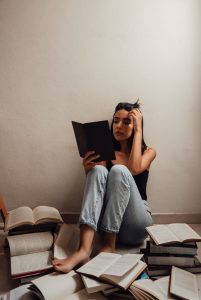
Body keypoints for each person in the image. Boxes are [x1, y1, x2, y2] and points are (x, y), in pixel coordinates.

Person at [52, 101, 156, 272]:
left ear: (137, 125)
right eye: (116, 121)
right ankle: (83, 250)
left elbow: (133, 169)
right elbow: (97, 192)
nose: (119, 126)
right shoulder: (106, 152)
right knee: (99, 170)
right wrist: (88, 170)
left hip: (135, 226)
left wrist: (138, 132)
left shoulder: (149, 152)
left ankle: (109, 245)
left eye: (127, 122)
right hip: (107, 224)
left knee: (119, 171)